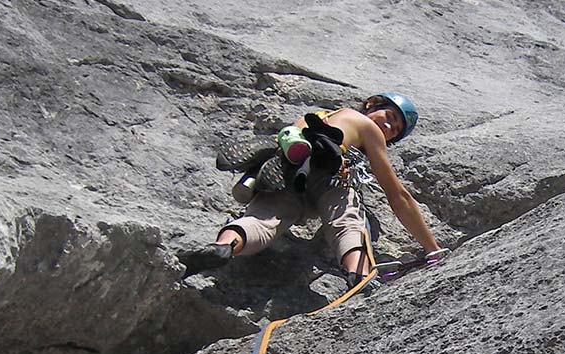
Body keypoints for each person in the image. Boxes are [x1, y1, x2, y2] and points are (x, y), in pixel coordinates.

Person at [179, 92, 444, 289]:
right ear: (372, 104)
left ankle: (225, 246)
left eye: (394, 130)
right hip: (332, 174)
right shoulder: (365, 126)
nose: (387, 128)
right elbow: (397, 196)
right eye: (389, 117)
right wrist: (433, 249)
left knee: (262, 220)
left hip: (288, 171)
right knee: (348, 221)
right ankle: (360, 277)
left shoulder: (317, 117)